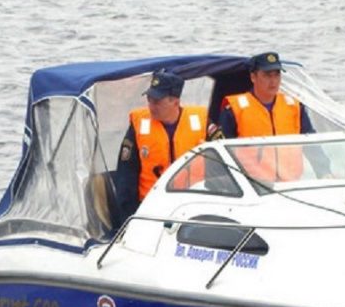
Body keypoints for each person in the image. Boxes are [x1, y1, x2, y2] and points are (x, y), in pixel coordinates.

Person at [210, 52, 325, 181]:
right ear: (253, 77)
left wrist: (324, 171)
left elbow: (310, 141)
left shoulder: (294, 106)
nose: (273, 81)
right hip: (252, 185)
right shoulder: (234, 109)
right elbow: (223, 151)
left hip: (290, 182)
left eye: (277, 75)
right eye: (267, 75)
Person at [115, 69, 208, 217]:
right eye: (149, 100)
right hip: (151, 206)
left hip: (192, 204)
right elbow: (126, 174)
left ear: (175, 101)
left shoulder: (202, 121)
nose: (151, 106)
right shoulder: (138, 124)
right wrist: (129, 217)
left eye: (157, 102)